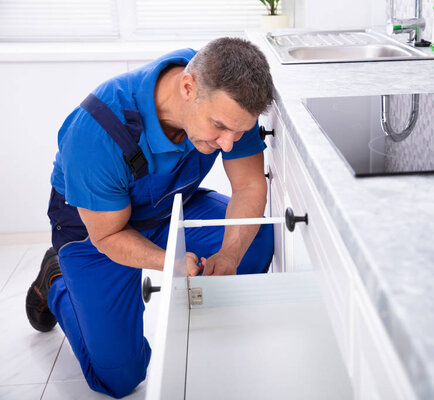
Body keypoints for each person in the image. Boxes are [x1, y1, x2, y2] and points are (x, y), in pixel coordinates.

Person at [24, 38, 275, 398]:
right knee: (120, 378)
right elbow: (109, 236)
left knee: (257, 241)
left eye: (239, 131)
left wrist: (231, 254)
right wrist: (169, 261)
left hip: (169, 204)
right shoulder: (96, 132)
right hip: (95, 231)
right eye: (219, 127)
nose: (230, 144)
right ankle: (57, 283)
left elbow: (250, 186)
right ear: (188, 89)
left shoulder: (226, 94)